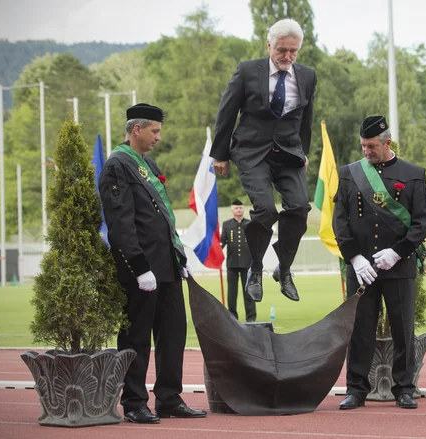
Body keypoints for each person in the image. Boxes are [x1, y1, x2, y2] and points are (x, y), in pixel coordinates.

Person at [99, 103, 207, 424]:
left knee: (173, 332)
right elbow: (121, 223)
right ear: (137, 129)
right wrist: (138, 265)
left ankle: (169, 398)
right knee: (136, 337)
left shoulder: (147, 163)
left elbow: (163, 217)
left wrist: (180, 257)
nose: (159, 137)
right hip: (141, 269)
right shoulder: (118, 165)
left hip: (166, 265)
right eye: (155, 131)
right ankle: (133, 402)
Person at [210, 18, 317, 303]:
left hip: (289, 153)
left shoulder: (307, 76)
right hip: (252, 151)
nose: (288, 57)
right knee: (266, 210)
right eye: (282, 50)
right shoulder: (247, 71)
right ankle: (255, 270)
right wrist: (220, 154)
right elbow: (227, 112)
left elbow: (307, 118)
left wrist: (303, 152)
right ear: (269, 45)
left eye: (293, 51)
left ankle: (284, 268)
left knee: (299, 208)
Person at [333, 116, 426, 410]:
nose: (366, 151)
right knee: (360, 329)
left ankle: (404, 388)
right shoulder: (350, 174)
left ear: (387, 143)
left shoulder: (413, 174)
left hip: (398, 266)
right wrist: (354, 257)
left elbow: (423, 221)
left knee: (403, 329)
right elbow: (340, 221)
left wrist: (398, 251)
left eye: (372, 146)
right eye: (363, 146)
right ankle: (356, 389)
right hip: (361, 267)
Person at [220, 199, 256, 322]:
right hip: (232, 263)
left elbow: (255, 243)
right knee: (232, 293)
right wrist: (216, 250)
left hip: (247, 263)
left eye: (240, 208)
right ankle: (232, 317)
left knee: (248, 292)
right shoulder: (227, 224)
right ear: (232, 210)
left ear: (243, 209)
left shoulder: (249, 223)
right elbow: (222, 242)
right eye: (236, 208)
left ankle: (251, 317)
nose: (238, 210)